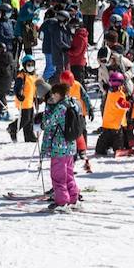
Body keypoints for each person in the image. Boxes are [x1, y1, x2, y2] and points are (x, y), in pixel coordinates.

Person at [39, 81, 81, 211]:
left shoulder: (61, 108)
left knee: (58, 175)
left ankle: (62, 201)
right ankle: (73, 198)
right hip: (70, 145)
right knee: (68, 174)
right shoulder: (72, 103)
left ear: (59, 94)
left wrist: (46, 112)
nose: (52, 97)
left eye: (54, 94)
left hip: (59, 147)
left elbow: (47, 123)